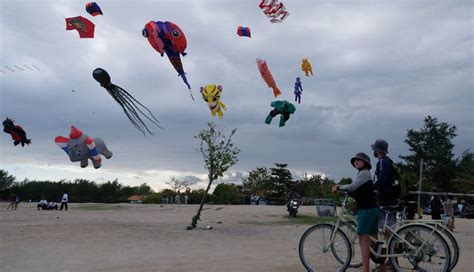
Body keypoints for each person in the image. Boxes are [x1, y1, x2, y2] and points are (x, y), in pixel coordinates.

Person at [332, 152, 378, 272]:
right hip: (371, 209)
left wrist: (339, 187)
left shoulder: (363, 173)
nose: (356, 162)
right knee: (373, 241)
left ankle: (365, 270)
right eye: (355, 160)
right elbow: (358, 190)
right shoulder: (365, 174)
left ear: (366, 163)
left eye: (359, 160)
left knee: (363, 241)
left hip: (366, 210)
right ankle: (380, 267)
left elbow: (352, 186)